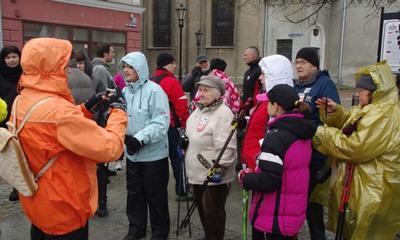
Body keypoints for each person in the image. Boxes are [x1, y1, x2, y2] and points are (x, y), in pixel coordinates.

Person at [14, 37, 127, 239]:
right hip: (64, 207)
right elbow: (110, 148)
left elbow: (50, 128)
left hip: (39, 203)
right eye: (65, 66)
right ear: (51, 68)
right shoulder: (59, 112)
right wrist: (119, 112)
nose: (69, 72)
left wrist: (85, 108)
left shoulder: (22, 100)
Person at [313, 60, 400, 240]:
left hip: (374, 190)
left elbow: (355, 147)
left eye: (361, 91)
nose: (357, 95)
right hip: (363, 187)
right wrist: (336, 113)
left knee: (366, 234)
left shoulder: (384, 115)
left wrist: (320, 132)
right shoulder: (372, 108)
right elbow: (353, 125)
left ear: (375, 92)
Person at [239, 84, 317, 240]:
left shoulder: (276, 137)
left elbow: (268, 181)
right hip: (290, 214)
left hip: (273, 218)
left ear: (275, 106)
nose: (266, 106)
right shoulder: (300, 131)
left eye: (268, 103)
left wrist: (245, 178)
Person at [121, 52, 170, 240]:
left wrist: (140, 138)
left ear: (140, 69)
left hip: (153, 156)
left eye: (130, 67)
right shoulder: (125, 92)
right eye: (124, 66)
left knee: (155, 197)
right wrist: (123, 136)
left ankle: (159, 232)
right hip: (133, 155)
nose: (126, 70)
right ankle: (136, 229)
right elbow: (122, 118)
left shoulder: (155, 91)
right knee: (134, 195)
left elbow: (161, 123)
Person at [293, 47, 340, 240]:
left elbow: (331, 118)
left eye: (303, 62)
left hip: (315, 155)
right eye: (296, 62)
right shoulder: (297, 86)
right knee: (299, 199)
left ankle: (318, 237)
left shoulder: (324, 84)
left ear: (314, 66)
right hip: (298, 154)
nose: (299, 66)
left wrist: (310, 130)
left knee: (313, 204)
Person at [185, 74, 237, 240]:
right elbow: (191, 134)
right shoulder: (198, 109)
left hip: (212, 176)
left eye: (206, 90)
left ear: (217, 94)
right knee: (203, 214)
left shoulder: (223, 113)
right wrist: (184, 142)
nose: (201, 93)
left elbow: (227, 147)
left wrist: (219, 169)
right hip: (196, 174)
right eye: (200, 89)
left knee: (213, 215)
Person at [73, 50, 112, 217]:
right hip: (75, 130)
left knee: (99, 168)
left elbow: (105, 103)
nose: (79, 66)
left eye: (82, 63)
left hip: (95, 126)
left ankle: (101, 203)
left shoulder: (95, 80)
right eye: (77, 63)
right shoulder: (66, 81)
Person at [241, 54, 294, 170]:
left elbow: (271, 135)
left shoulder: (279, 104)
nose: (260, 78)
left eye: (263, 74)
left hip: (263, 166)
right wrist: (246, 122)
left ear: (274, 76)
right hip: (254, 162)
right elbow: (262, 124)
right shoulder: (267, 99)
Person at [151, 52, 190, 201]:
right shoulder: (172, 82)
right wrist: (186, 125)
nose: (175, 65)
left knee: (158, 160)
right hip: (172, 127)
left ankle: (157, 191)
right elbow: (181, 107)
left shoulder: (151, 81)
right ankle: (182, 190)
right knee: (178, 159)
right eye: (172, 63)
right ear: (164, 65)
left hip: (155, 127)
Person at [0, 44, 23, 202]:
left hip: (21, 118)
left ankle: (18, 187)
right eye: (8, 57)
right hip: (4, 120)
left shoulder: (25, 73)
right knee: (8, 154)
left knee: (20, 154)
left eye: (14, 56)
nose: (12, 60)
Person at [236, 46, 262, 171]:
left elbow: (257, 93)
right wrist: (242, 107)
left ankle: (249, 162)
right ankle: (241, 159)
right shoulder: (248, 72)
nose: (243, 57)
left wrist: (253, 109)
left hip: (253, 110)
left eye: (245, 55)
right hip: (246, 110)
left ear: (253, 56)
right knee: (241, 136)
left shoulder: (258, 71)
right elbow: (246, 92)